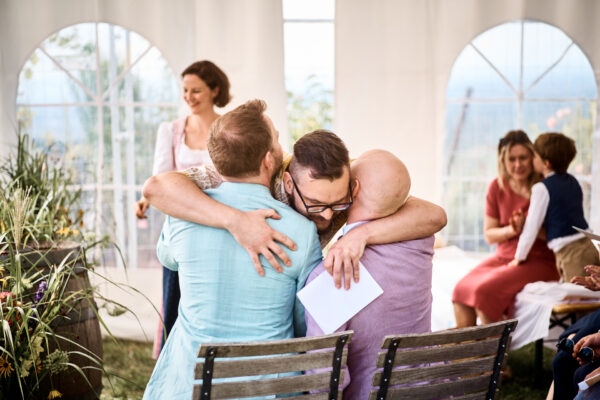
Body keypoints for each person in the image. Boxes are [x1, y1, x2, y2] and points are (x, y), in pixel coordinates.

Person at [143, 100, 322, 400]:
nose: (281, 146)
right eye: (277, 139)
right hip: (267, 390)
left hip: (186, 388)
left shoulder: (185, 214)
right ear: (268, 160)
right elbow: (304, 322)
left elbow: (168, 259)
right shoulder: (302, 232)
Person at [142, 133, 447, 290]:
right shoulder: (260, 177)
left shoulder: (342, 180)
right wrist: (235, 221)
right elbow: (156, 188)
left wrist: (362, 234)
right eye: (316, 206)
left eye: (338, 204)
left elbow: (435, 216)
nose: (328, 216)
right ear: (288, 183)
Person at [304, 149, 435, 400]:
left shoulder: (332, 275)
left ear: (353, 188)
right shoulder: (421, 242)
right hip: (423, 391)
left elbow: (323, 380)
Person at [132, 60, 231, 357]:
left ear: (215, 90)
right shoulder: (171, 130)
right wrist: (146, 200)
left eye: (196, 90)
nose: (188, 97)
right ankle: (171, 356)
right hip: (181, 226)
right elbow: (161, 175)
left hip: (219, 222)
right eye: (185, 90)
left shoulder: (228, 128)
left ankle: (213, 354)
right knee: (174, 292)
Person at [452, 130, 559, 327]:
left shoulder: (546, 187)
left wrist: (529, 227)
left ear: (532, 156)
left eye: (523, 158)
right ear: (503, 161)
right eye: (512, 159)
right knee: (460, 290)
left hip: (538, 261)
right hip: (503, 258)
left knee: (484, 293)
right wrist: (512, 231)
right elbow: (489, 235)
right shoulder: (497, 187)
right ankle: (467, 354)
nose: (518, 165)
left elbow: (560, 236)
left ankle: (494, 356)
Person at [509, 132, 599, 282]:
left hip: (571, 252)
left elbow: (531, 227)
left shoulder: (541, 189)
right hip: (590, 244)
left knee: (577, 300)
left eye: (535, 156)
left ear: (546, 163)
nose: (532, 159)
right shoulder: (574, 181)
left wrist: (519, 257)